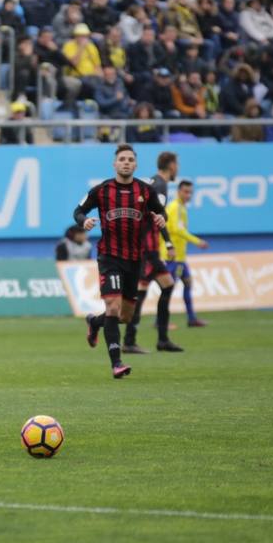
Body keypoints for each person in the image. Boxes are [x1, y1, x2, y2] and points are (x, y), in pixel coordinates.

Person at [73, 143, 168, 379]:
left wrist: (161, 219)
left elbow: (161, 212)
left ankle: (95, 323)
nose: (126, 163)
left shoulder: (146, 191)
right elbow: (78, 211)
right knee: (113, 307)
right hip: (110, 257)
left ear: (135, 164)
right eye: (122, 159)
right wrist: (83, 221)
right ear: (114, 164)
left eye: (130, 159)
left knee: (125, 316)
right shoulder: (102, 190)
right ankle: (117, 363)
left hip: (135, 260)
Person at [123, 150, 184, 354]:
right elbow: (155, 214)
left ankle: (159, 339)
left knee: (160, 288)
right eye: (177, 164)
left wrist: (167, 243)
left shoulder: (153, 182)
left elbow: (157, 215)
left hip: (146, 249)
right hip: (146, 250)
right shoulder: (160, 185)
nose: (178, 168)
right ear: (171, 165)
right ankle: (134, 340)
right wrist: (166, 242)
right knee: (145, 292)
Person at [164, 180, 210, 328]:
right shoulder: (175, 207)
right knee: (168, 288)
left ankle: (191, 318)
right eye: (185, 191)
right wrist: (197, 241)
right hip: (173, 257)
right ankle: (161, 321)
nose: (188, 195)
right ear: (178, 191)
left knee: (187, 283)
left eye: (190, 192)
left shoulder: (182, 208)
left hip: (181, 258)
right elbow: (177, 230)